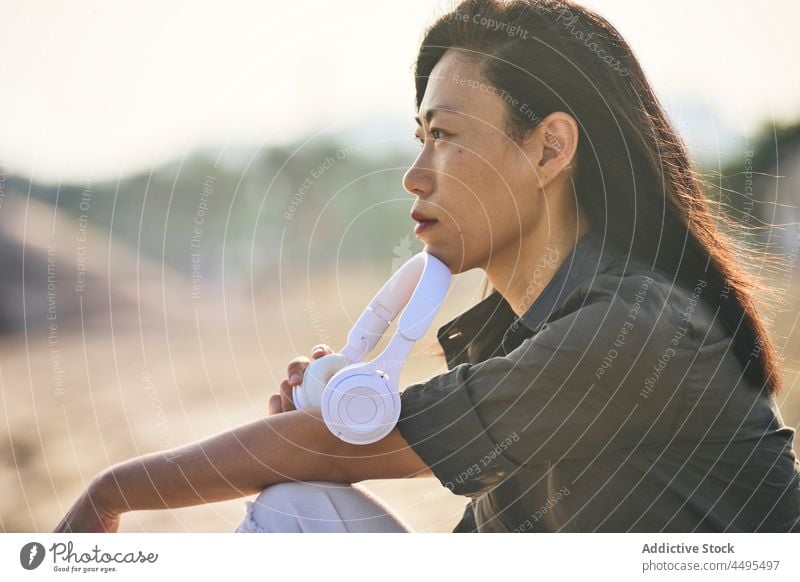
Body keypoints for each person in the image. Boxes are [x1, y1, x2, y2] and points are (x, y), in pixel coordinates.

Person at [54, 0, 800, 533]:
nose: (414, 176)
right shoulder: (526, 333)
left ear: (548, 149)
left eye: (444, 136)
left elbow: (346, 452)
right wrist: (319, 429)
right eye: (418, 138)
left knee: (297, 506)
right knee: (298, 506)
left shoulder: (629, 329)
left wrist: (107, 494)